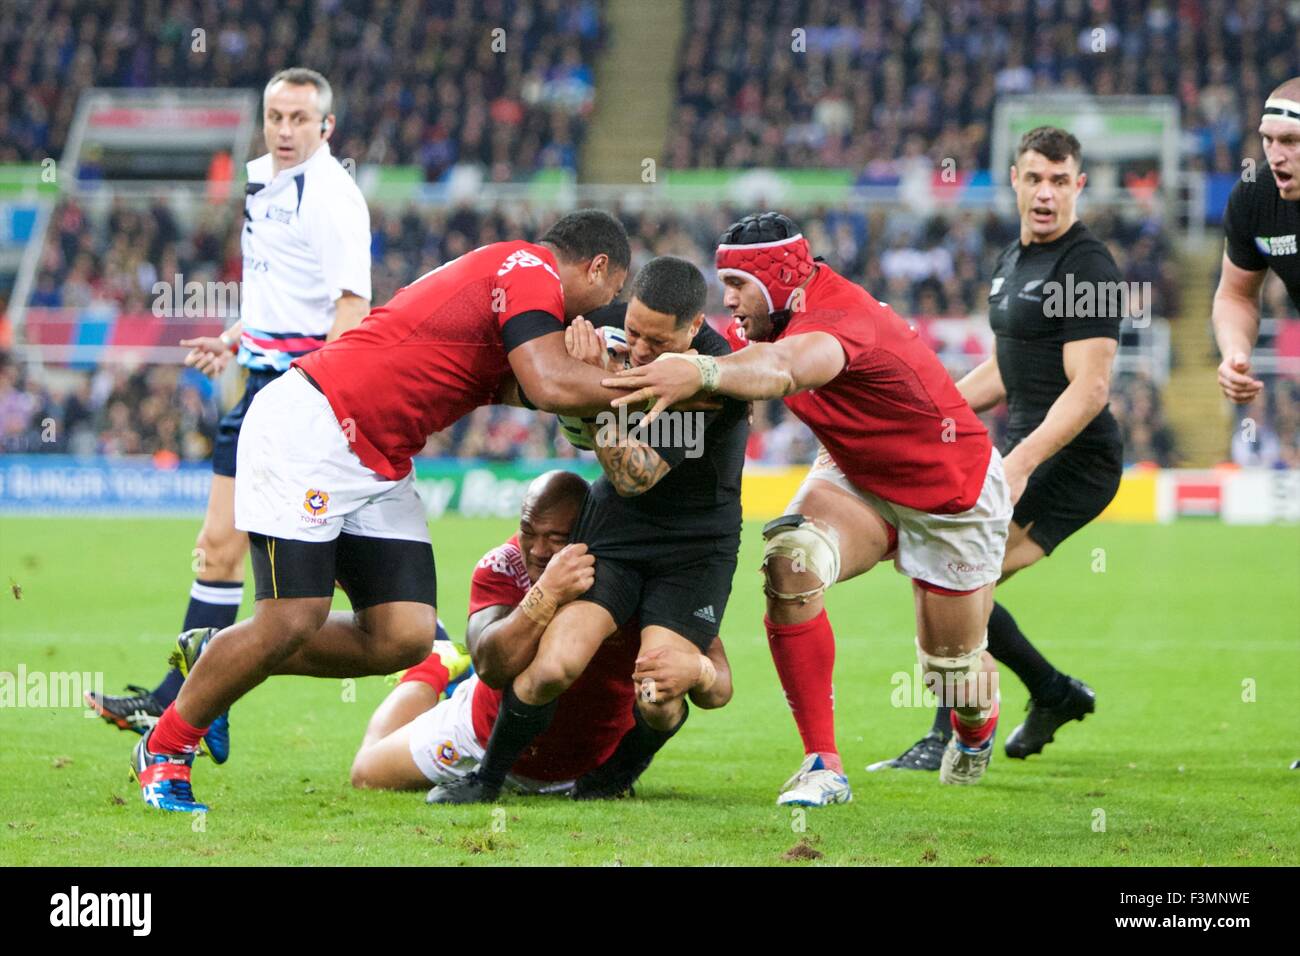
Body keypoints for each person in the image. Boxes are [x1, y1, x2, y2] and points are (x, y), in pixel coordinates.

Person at [131, 209, 636, 812]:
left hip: (380, 457)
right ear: (597, 267)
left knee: (403, 635)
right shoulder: (528, 267)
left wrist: (593, 370)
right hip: (315, 429)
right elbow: (551, 386)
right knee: (293, 617)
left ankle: (220, 651)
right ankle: (164, 746)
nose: (607, 305)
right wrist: (653, 383)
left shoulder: (518, 288)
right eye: (613, 292)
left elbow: (521, 389)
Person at [607, 214, 1012, 803]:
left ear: (777, 281)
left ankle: (976, 729)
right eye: (726, 282)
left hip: (951, 494)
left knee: (950, 674)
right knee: (790, 562)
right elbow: (728, 378)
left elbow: (786, 369)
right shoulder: (767, 322)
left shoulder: (832, 323)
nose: (730, 299)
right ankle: (823, 764)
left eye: (740, 283)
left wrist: (699, 368)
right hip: (857, 475)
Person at [88, 69, 372, 763]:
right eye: (276, 116)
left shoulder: (332, 196)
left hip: (303, 393)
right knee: (218, 549)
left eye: (300, 119)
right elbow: (282, 290)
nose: (283, 129)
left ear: (325, 128)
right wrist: (237, 336)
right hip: (260, 383)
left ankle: (444, 654)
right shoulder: (263, 182)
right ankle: (180, 702)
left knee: (345, 573)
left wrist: (320, 396)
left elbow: (351, 307)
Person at [426, 255, 746, 804]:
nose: (642, 349)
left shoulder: (719, 375)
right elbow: (558, 390)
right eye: (636, 332)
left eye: (658, 344)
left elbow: (632, 474)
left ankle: (611, 779)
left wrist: (597, 389)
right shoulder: (620, 322)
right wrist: (574, 367)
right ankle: (487, 781)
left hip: (694, 549)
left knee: (656, 692)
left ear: (694, 329)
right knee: (553, 664)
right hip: (616, 532)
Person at [868, 126, 1121, 771]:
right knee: (955, 582)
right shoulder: (1013, 260)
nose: (1045, 193)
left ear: (1079, 187)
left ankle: (945, 737)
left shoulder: (1085, 266)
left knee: (958, 582)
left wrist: (1022, 462)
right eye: (1034, 177)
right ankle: (1053, 692)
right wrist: (933, 413)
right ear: (1013, 179)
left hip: (1073, 460)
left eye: (1060, 181)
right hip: (1023, 451)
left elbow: (1090, 390)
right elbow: (1009, 370)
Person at [350, 470, 732, 796]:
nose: (537, 549)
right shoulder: (504, 563)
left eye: (556, 538)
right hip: (479, 735)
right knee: (367, 774)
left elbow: (716, 674)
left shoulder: (637, 576)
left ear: (591, 531)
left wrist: (696, 670)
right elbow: (491, 666)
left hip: (585, 765)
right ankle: (434, 666)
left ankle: (608, 780)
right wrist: (546, 594)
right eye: (528, 531)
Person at [1214, 77, 1300, 405]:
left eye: (1290, 140)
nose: (1275, 156)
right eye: (1268, 140)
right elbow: (1236, 295)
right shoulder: (1254, 197)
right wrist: (1235, 353)